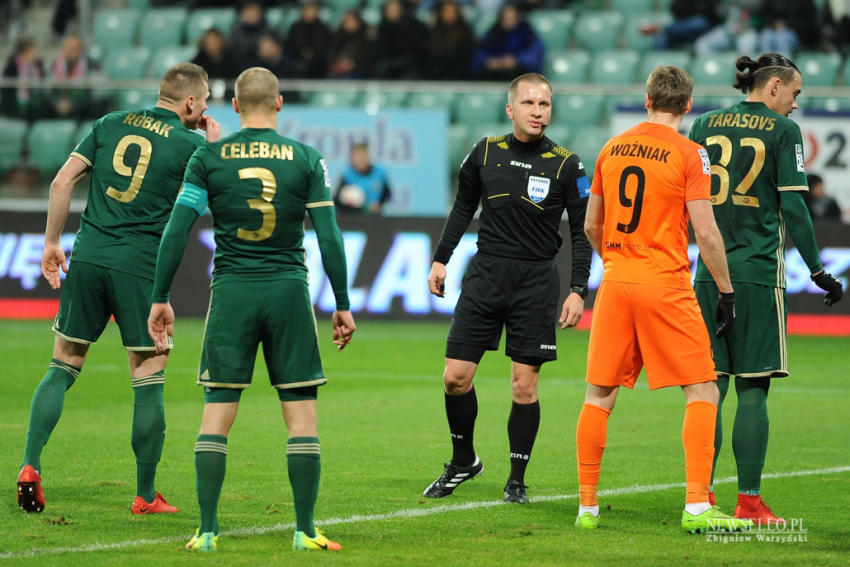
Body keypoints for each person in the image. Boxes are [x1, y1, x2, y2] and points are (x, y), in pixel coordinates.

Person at [147, 66, 355, 553]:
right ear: (279, 103)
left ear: (235, 106)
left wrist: (160, 296)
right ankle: (305, 531)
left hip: (233, 292)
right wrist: (342, 304)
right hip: (288, 292)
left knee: (216, 416)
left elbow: (176, 230)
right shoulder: (306, 158)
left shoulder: (209, 157)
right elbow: (329, 237)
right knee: (302, 420)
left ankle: (207, 531)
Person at [16, 63, 220, 515]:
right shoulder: (191, 145)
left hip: (87, 256)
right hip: (140, 269)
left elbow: (60, 181)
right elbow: (215, 199)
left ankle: (30, 466)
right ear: (190, 102)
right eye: (204, 101)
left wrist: (52, 242)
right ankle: (145, 495)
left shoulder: (109, 124)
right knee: (148, 377)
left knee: (62, 363)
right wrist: (214, 148)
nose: (206, 108)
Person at [574, 64, 751, 534]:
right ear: (688, 105)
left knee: (599, 395)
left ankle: (587, 508)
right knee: (703, 389)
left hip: (615, 281)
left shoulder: (611, 148)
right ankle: (696, 506)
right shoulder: (692, 153)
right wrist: (726, 291)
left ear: (646, 97)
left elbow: (592, 224)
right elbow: (706, 232)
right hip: (664, 283)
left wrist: (615, 258)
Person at [688, 53, 844, 524]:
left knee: (708, 389)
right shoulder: (782, 132)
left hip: (706, 275)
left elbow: (685, 202)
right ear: (774, 86)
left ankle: (703, 498)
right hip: (756, 273)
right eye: (795, 93)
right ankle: (750, 503)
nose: (796, 104)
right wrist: (818, 270)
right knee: (753, 387)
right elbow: (796, 210)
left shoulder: (703, 125)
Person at [423, 73, 592, 504]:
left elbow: (583, 232)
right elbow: (463, 208)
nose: (539, 112)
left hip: (535, 282)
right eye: (531, 104)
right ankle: (464, 460)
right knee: (455, 378)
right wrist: (441, 258)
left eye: (546, 105)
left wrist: (578, 288)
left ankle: (516, 480)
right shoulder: (484, 151)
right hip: (485, 277)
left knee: (523, 386)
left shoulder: (567, 164)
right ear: (510, 109)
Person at [471, 3, 544, 81]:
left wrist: (516, 60)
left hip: (520, 77)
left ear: (518, 18)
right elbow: (478, 56)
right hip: (493, 77)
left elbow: (535, 56)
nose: (508, 22)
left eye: (512, 18)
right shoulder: (493, 34)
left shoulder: (528, 35)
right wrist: (489, 62)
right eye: (505, 18)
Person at [333, 140, 392, 214]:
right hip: (353, 219)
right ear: (352, 158)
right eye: (357, 156)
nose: (361, 159)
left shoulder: (379, 174)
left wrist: (379, 205)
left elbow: (387, 194)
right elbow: (338, 201)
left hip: (375, 218)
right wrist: (360, 209)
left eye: (363, 155)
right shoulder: (347, 176)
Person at [374, 0, 429, 79]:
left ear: (401, 10)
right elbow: (380, 50)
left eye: (395, 9)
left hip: (410, 64)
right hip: (389, 63)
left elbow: (418, 51)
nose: (392, 12)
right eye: (389, 10)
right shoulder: (383, 27)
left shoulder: (414, 26)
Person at [426, 0, 475, 80]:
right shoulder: (434, 31)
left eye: (452, 11)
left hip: (460, 73)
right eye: (446, 11)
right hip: (436, 73)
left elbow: (467, 54)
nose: (449, 14)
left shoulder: (465, 31)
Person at [1, 38, 46, 119]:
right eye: (33, 50)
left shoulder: (38, 65)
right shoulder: (12, 66)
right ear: (26, 52)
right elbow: (7, 88)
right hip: (15, 102)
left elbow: (42, 81)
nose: (36, 53)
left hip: (34, 101)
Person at [286, 0, 332, 78]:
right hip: (297, 67)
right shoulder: (295, 28)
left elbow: (327, 49)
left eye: (313, 9)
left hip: (319, 67)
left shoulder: (323, 28)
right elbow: (289, 48)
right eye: (307, 9)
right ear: (302, 11)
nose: (310, 12)